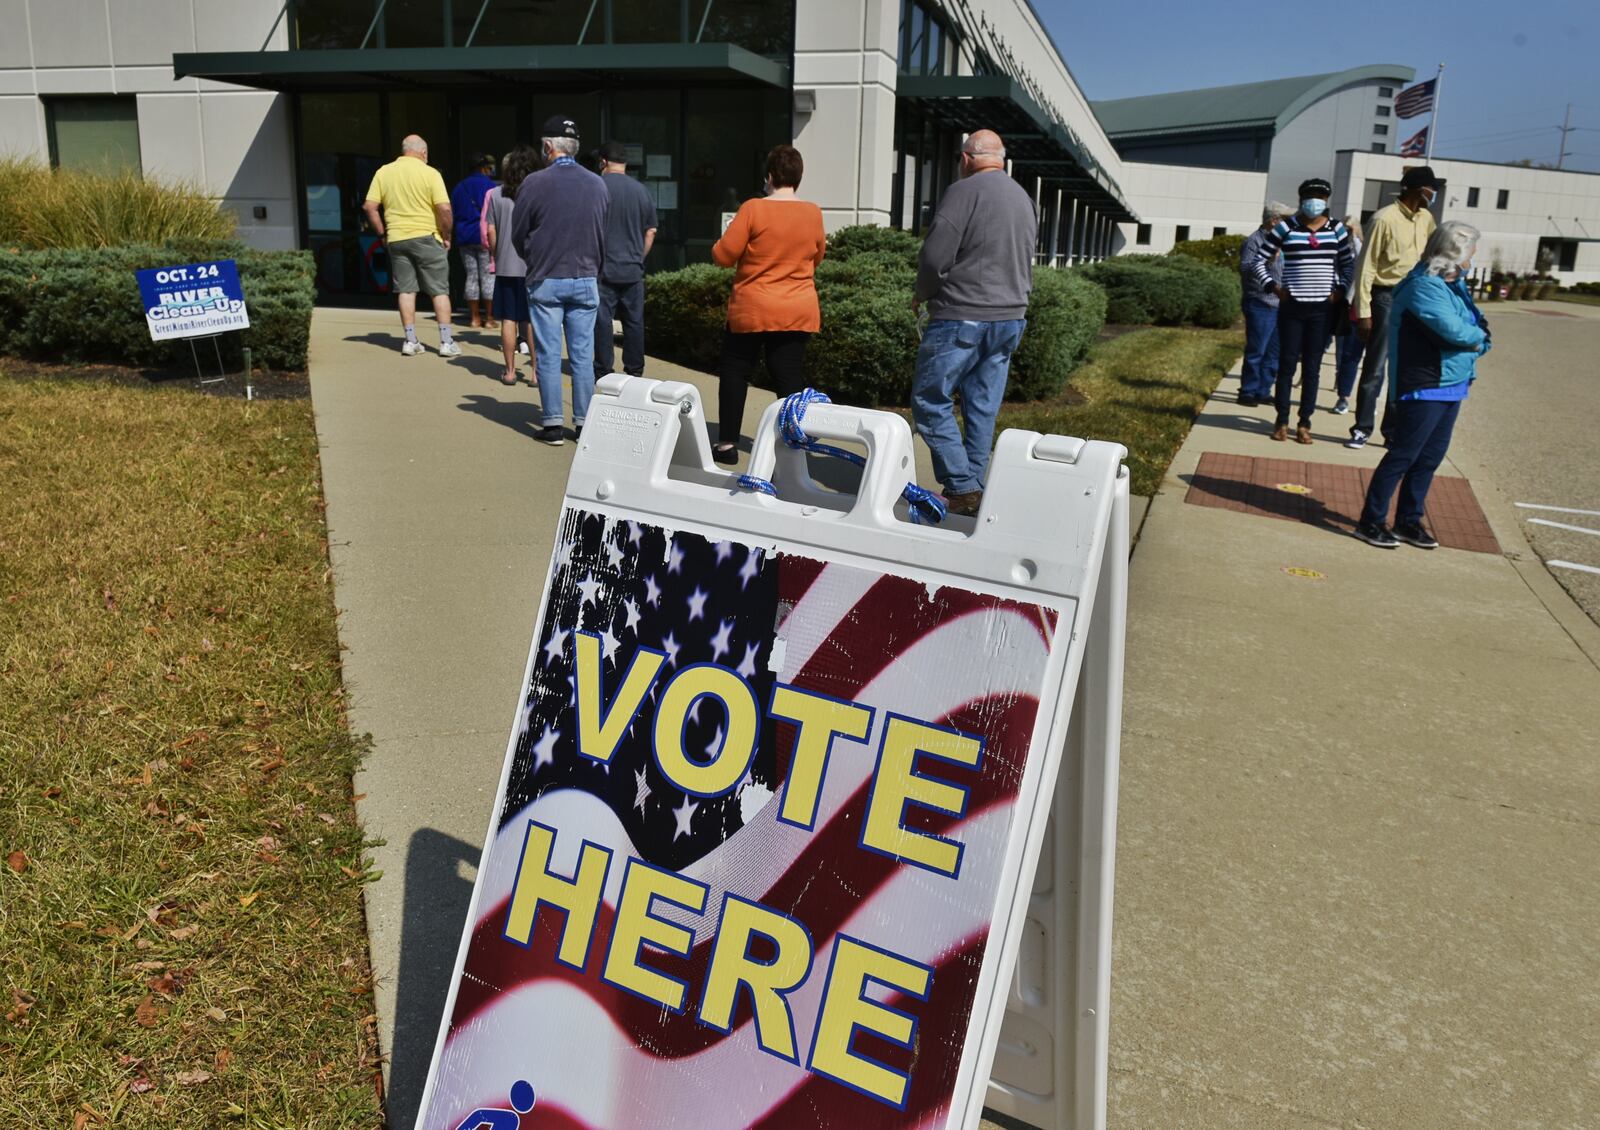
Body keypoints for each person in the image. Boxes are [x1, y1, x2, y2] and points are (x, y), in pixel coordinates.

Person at [909, 129, 1036, 517]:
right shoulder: (1023, 198)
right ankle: (973, 490)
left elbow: (934, 257)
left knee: (930, 399)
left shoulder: (962, 191)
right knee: (982, 407)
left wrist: (922, 292)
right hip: (1010, 317)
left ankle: (963, 486)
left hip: (962, 315)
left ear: (966, 159)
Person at [1353, 221, 1488, 549]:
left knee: (1429, 458)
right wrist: (1478, 338)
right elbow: (1455, 331)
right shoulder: (1424, 285)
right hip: (1425, 382)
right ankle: (1371, 521)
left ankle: (1408, 521)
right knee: (1403, 455)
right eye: (1471, 250)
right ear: (1455, 251)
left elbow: (1477, 324)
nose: (1474, 256)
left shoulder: (1451, 284)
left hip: (1451, 382)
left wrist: (1477, 338)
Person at [708, 144, 826, 465]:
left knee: (735, 370)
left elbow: (724, 255)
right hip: (797, 308)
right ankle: (793, 446)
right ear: (798, 178)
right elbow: (817, 258)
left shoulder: (753, 209)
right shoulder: (813, 212)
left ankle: (727, 445)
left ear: (770, 176)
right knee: (788, 376)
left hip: (754, 306)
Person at [510, 114, 610, 446]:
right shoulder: (597, 183)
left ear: (548, 146)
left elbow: (518, 232)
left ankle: (553, 423)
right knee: (582, 355)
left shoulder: (534, 183)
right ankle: (583, 423)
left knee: (549, 353)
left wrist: (533, 259)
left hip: (546, 277)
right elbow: (601, 232)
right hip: (584, 276)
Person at [1247, 177, 1354, 444]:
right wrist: (1273, 286)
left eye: (1320, 196)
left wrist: (1339, 290)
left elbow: (1349, 264)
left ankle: (1305, 422)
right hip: (1291, 305)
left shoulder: (1337, 229)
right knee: (1286, 364)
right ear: (1301, 198)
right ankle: (1281, 420)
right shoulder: (1286, 227)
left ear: (1327, 200)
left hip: (1322, 308)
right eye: (1309, 195)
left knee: (1313, 368)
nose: (1314, 200)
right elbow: (1258, 260)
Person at [1348, 165, 1439, 449]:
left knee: (1403, 369)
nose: (1433, 194)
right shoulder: (1383, 219)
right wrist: (1363, 312)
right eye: (1430, 189)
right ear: (1416, 189)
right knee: (1376, 368)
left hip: (1414, 299)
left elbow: (1432, 255)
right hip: (1386, 297)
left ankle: (1393, 431)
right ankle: (1362, 428)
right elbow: (1366, 268)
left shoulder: (1426, 218)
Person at [361, 134, 460, 357]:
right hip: (426, 236)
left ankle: (410, 340)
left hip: (397, 238)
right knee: (439, 290)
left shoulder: (384, 172)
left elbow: (369, 207)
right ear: (423, 152)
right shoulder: (430, 173)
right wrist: (447, 235)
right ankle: (446, 342)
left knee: (405, 290)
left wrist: (382, 234)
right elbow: (444, 209)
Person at [594, 140, 658, 383]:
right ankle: (634, 371)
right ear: (625, 163)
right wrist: (638, 257)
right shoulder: (641, 191)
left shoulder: (597, 187)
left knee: (602, 321)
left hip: (603, 268)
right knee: (634, 322)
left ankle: (603, 371)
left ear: (603, 162)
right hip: (632, 269)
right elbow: (650, 231)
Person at [484, 146, 539, 385]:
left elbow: (491, 230)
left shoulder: (496, 194)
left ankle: (509, 371)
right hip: (534, 266)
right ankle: (537, 374)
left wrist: (497, 254)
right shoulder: (538, 193)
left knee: (509, 319)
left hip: (506, 265)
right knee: (534, 320)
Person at [1238, 202, 1293, 406]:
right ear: (1274, 220)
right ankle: (1248, 391)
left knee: (1273, 352)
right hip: (1261, 303)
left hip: (1282, 305)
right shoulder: (1254, 240)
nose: (1290, 223)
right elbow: (1246, 268)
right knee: (1257, 349)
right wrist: (1268, 260)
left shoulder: (1285, 241)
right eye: (1286, 219)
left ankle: (1263, 389)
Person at [451, 153, 499, 329]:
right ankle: (489, 318)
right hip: (484, 235)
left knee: (471, 276)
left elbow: (452, 211)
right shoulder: (489, 186)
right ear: (484, 168)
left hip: (464, 236)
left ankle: (474, 318)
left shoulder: (459, 187)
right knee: (487, 277)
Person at [1331, 215, 1365, 414]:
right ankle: (1343, 397)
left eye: (1349, 229)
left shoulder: (1363, 248)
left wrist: (1355, 236)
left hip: (1376, 312)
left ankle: (1369, 402)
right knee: (1347, 356)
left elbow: (1360, 253)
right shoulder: (1340, 248)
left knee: (1375, 364)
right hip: (1351, 309)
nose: (1346, 232)